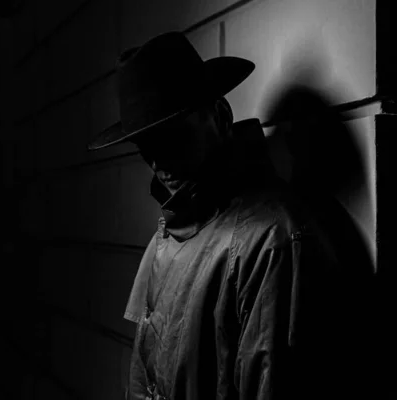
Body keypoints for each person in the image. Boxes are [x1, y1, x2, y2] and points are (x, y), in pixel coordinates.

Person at [87, 32, 376, 400]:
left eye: (171, 136)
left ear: (221, 116)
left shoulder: (272, 240)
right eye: (146, 147)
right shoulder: (172, 227)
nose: (158, 162)